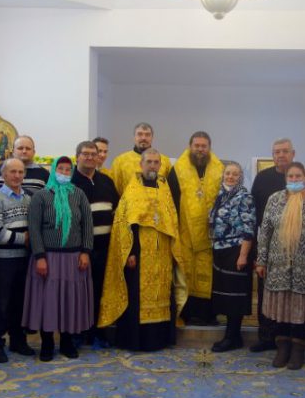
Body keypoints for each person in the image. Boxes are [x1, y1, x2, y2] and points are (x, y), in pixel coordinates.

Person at [98, 148, 186, 351]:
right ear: (141, 164)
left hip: (162, 253)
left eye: (156, 162)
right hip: (139, 253)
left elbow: (172, 220)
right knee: (137, 295)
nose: (153, 166)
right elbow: (126, 224)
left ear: (160, 165)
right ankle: (136, 341)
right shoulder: (132, 189)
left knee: (162, 294)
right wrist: (130, 252)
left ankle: (160, 339)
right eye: (149, 162)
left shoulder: (164, 188)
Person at [256, 162, 305, 370]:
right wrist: (261, 260)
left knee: (300, 309)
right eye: (291, 176)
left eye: (299, 176)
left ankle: (298, 349)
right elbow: (265, 232)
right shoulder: (275, 199)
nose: (295, 179)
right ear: (286, 178)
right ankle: (283, 348)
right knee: (281, 308)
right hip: (278, 264)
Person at [250, 138, 305, 352]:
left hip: (303, 256)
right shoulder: (262, 178)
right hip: (274, 254)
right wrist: (259, 255)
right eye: (276, 152)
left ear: (293, 153)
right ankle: (267, 338)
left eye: (285, 151)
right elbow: (256, 218)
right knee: (271, 297)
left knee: (296, 301)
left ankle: (295, 344)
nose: (280, 155)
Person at [23, 156, 94, 361]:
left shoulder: (78, 194)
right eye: (60, 169)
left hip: (74, 259)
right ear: (53, 171)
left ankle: (67, 342)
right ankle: (47, 343)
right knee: (47, 301)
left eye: (67, 169)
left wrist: (85, 251)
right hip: (48, 258)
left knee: (69, 300)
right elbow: (34, 228)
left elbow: (87, 225)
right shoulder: (41, 196)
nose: (64, 172)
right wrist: (40, 256)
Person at [168, 131, 224, 325]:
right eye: (197, 146)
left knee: (209, 275)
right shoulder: (178, 169)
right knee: (186, 273)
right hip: (185, 233)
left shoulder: (219, 169)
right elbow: (171, 199)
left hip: (210, 235)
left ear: (209, 148)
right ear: (190, 146)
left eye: (204, 146)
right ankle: (187, 313)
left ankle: (208, 314)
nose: (200, 149)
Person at [0, 158, 35, 363]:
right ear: (4, 175)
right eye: (13, 172)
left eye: (20, 172)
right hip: (2, 261)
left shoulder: (28, 198)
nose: (17, 176)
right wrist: (24, 238)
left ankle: (18, 340)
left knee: (20, 302)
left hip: (23, 259)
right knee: (1, 304)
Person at [71, 141, 119, 347]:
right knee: (79, 292)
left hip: (104, 248)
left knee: (100, 290)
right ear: (77, 157)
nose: (90, 157)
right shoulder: (69, 182)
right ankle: (78, 332)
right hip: (79, 250)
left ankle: (98, 331)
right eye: (86, 154)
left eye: (94, 154)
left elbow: (117, 212)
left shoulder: (106, 181)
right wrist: (81, 248)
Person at [208, 162, 256, 352]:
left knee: (234, 296)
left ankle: (231, 336)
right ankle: (234, 337)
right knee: (226, 296)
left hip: (236, 249)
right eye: (227, 173)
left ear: (240, 177)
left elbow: (249, 229)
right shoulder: (221, 195)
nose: (230, 177)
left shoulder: (244, 196)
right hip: (220, 249)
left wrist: (243, 255)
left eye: (235, 174)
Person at [108, 122, 172, 196]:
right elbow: (114, 189)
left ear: (152, 138)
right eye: (140, 134)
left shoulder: (164, 161)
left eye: (147, 135)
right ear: (134, 137)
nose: (143, 138)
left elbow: (170, 189)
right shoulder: (120, 161)